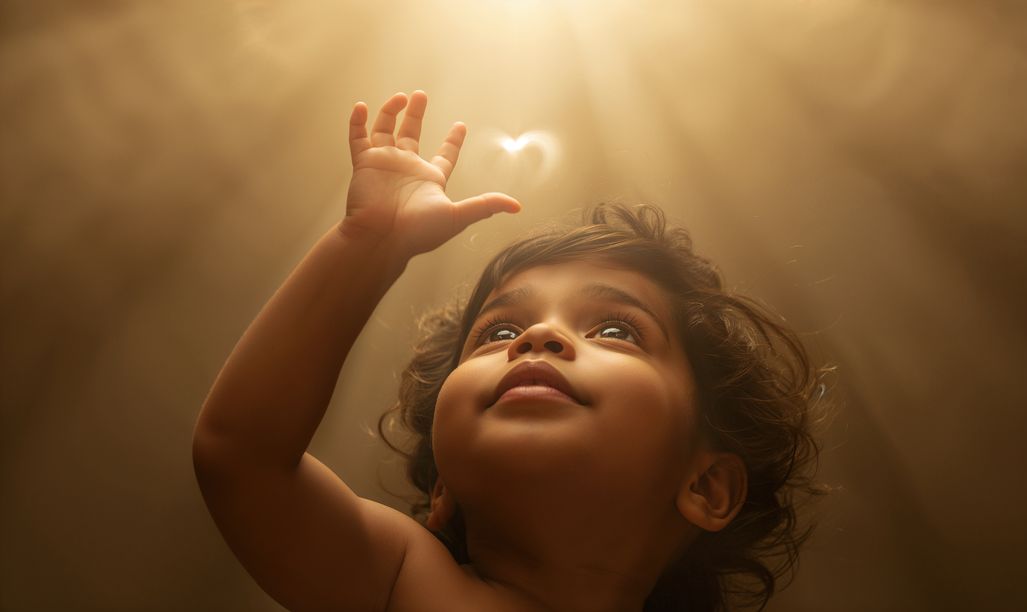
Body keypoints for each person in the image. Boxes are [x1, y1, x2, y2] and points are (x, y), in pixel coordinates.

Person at [193, 90, 827, 612]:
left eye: (615, 330)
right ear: (443, 487)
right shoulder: (401, 582)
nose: (538, 337)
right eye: (497, 332)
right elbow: (242, 454)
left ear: (708, 485)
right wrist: (368, 245)